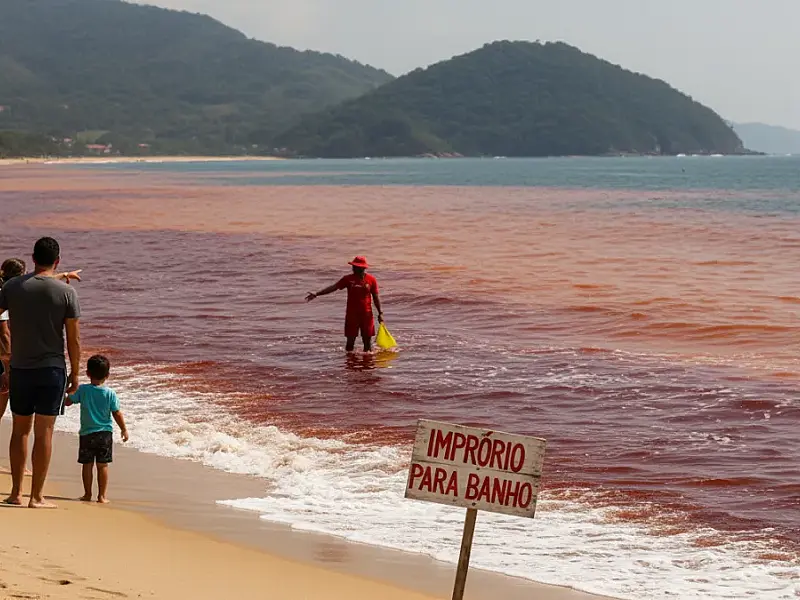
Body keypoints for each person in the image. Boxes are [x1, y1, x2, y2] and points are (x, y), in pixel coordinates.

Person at [0, 238, 81, 508]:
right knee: (44, 433)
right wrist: (76, 374)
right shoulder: (66, 293)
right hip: (51, 370)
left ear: (33, 258)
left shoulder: (12, 287)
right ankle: (36, 497)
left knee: (20, 431)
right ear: (57, 261)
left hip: (20, 368)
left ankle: (15, 493)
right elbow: (74, 340)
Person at [65, 355, 128, 504]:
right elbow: (117, 413)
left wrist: (66, 390)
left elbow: (68, 402)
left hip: (87, 433)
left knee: (87, 465)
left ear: (88, 373)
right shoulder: (110, 393)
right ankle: (102, 496)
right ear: (107, 375)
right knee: (102, 465)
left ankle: (87, 494)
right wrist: (123, 429)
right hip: (105, 434)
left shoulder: (83, 390)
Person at [306, 256, 384, 352]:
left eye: (356, 267)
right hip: (351, 315)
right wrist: (317, 293)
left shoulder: (371, 280)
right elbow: (334, 287)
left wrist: (380, 313)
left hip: (367, 315)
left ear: (363, 268)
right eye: (353, 266)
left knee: (367, 344)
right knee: (350, 343)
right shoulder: (348, 279)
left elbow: (376, 297)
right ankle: (349, 360)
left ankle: (367, 361)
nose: (353, 269)